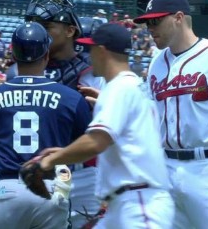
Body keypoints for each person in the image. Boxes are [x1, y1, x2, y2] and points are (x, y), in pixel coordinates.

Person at [0, 0, 105, 228]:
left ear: (70, 30)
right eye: (33, 23)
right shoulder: (18, 69)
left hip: (82, 172)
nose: (37, 30)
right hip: (38, 174)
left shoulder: (93, 67)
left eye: (45, 25)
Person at [36, 23, 174, 229]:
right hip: (127, 202)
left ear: (102, 51)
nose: (88, 56)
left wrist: (47, 162)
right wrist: (66, 152)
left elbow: (96, 142)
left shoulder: (119, 88)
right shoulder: (130, 85)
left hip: (139, 203)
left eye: (91, 49)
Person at [132, 0, 208, 229]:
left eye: (156, 21)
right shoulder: (156, 62)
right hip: (167, 167)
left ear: (179, 17)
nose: (150, 28)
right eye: (147, 23)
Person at [0, 21, 93, 229]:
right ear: (46, 55)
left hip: (8, 188)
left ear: (14, 56)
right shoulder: (71, 97)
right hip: (52, 185)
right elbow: (86, 144)